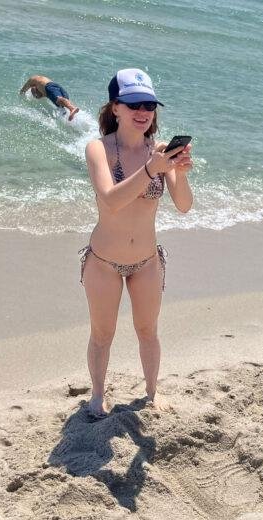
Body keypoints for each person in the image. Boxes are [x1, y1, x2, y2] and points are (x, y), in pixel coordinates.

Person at [81, 68, 193, 417]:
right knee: (102, 333)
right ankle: (97, 396)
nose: (142, 112)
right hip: (103, 261)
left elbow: (184, 205)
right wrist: (151, 170)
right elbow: (111, 200)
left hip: (146, 261)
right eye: (133, 104)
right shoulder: (98, 149)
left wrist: (179, 173)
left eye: (148, 105)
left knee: (148, 330)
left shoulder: (159, 152)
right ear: (115, 107)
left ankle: (152, 392)